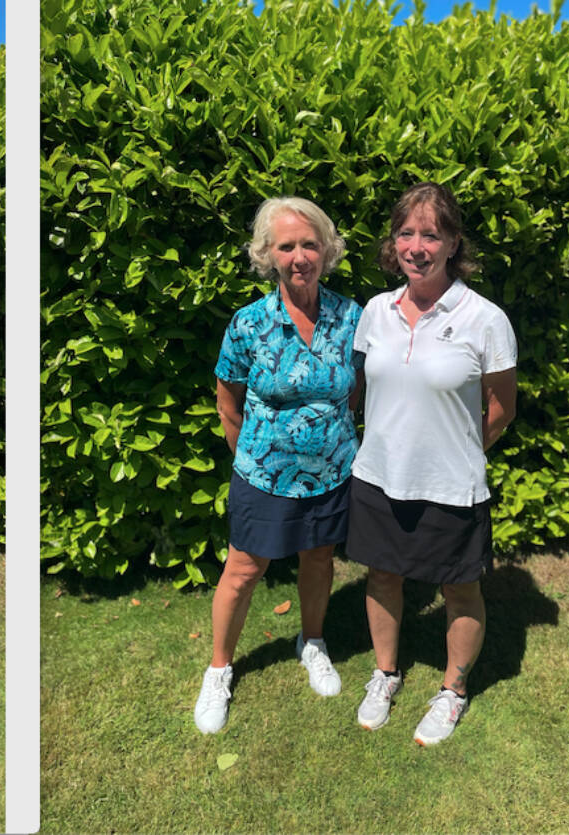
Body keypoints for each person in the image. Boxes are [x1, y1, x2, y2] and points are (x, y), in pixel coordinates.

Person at [348, 181, 517, 746]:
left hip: (452, 484)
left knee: (461, 590)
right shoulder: (375, 312)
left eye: (430, 234)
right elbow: (362, 392)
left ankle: (452, 692)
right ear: (393, 242)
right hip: (378, 477)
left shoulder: (484, 318)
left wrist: (456, 452)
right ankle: (385, 674)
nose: (416, 246)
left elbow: (501, 408)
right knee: (382, 575)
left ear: (452, 244)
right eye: (406, 233)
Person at [193, 197, 362, 734]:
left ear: (327, 250)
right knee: (243, 571)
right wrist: (255, 457)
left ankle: (312, 642)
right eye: (286, 246)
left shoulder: (350, 317)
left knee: (319, 559)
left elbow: (357, 394)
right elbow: (228, 402)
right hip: (264, 475)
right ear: (268, 255)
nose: (299, 256)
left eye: (309, 244)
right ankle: (218, 669)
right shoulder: (249, 325)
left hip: (333, 473)